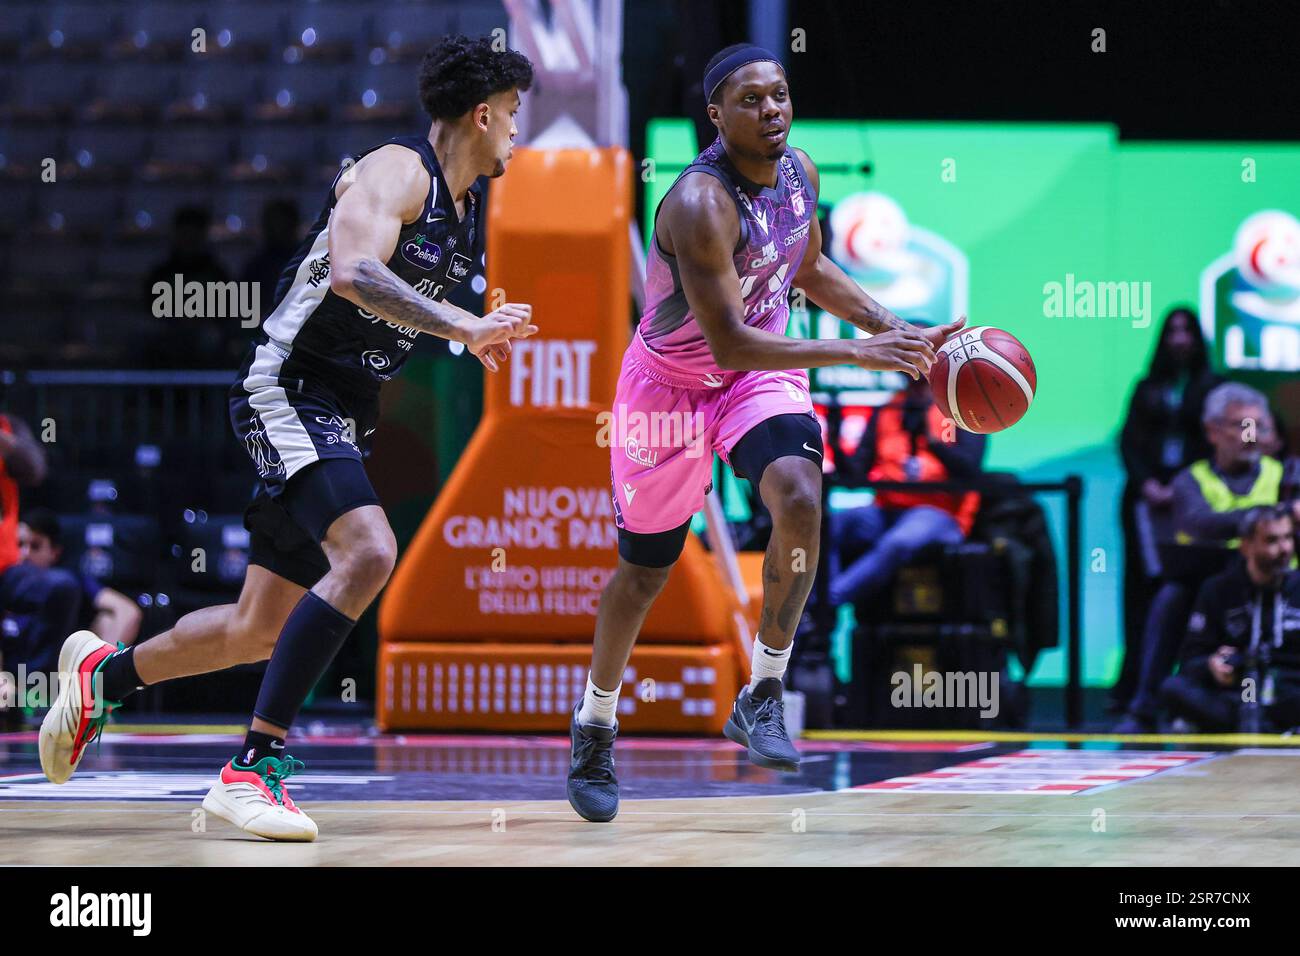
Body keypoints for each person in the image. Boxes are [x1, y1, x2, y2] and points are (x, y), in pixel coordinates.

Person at [39, 35, 539, 842]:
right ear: (482, 114)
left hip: (343, 406)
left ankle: (104, 677)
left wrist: (468, 325)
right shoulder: (395, 170)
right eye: (513, 115)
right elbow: (353, 273)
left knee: (255, 628)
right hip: (286, 386)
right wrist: (462, 323)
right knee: (370, 552)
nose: (517, 131)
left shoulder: (468, 203)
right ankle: (252, 769)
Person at [567, 44, 963, 823]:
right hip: (672, 387)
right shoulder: (697, 204)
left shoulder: (799, 175)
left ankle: (765, 690)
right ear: (715, 115)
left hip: (757, 376)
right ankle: (595, 725)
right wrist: (859, 349)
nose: (773, 110)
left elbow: (807, 270)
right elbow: (728, 344)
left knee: (801, 500)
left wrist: (897, 330)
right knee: (645, 572)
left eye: (780, 95)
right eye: (752, 100)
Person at [1114, 382, 1293, 733]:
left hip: (1283, 586)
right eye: (1241, 426)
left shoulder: (1284, 473)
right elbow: (1201, 522)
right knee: (1172, 596)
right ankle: (1143, 707)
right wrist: (1264, 516)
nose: (1251, 435)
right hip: (1219, 590)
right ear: (1212, 430)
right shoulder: (1189, 480)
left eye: (1258, 426)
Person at [1115, 306, 1220, 712]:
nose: (1179, 339)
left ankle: (1184, 685)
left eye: (1187, 331)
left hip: (1193, 502)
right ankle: (1136, 687)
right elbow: (1128, 443)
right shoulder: (1147, 388)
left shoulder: (1212, 387)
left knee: (1186, 590)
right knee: (1142, 592)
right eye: (1172, 331)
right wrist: (1148, 484)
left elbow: (1215, 445)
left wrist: (1182, 487)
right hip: (1146, 504)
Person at [827, 365, 987, 609]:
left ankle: (825, 602)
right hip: (886, 509)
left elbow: (969, 470)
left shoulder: (962, 410)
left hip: (941, 514)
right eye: (911, 379)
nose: (916, 386)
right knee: (827, 527)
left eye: (923, 380)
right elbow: (855, 475)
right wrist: (835, 443)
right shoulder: (890, 408)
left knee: (898, 542)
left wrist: (931, 441)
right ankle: (815, 603)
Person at [1161, 505, 1300, 732]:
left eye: (1288, 538)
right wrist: (1211, 664)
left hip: (1289, 692)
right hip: (1239, 692)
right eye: (1272, 540)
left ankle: (1267, 725)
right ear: (1246, 546)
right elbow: (1190, 659)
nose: (1284, 549)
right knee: (1173, 688)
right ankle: (1265, 727)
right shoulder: (1218, 590)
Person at [18, 510, 142, 650]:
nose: (25, 554)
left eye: (35, 546)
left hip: (57, 666)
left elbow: (128, 611)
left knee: (106, 620)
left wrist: (104, 663)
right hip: (8, 667)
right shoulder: (5, 579)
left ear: (54, 552)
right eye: (19, 544)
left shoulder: (70, 581)